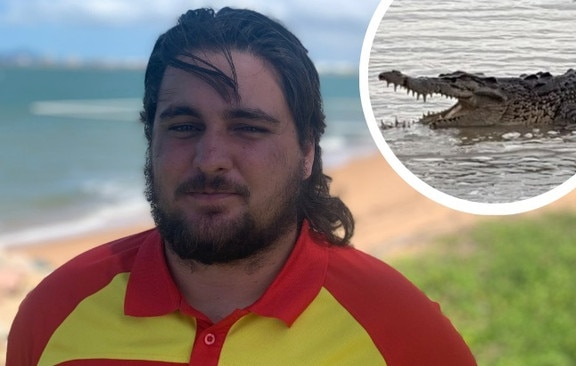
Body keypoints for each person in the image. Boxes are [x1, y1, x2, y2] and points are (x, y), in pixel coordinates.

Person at [7, 7, 476, 365]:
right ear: (151, 137)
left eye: (248, 127)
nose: (211, 159)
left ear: (307, 150)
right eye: (184, 126)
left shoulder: (399, 329)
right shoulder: (55, 311)